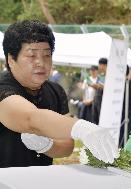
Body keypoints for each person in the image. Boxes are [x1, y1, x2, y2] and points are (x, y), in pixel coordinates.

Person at [0, 20, 118, 168]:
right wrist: (81, 127)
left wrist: (48, 146)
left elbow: (67, 146)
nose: (41, 63)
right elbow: (30, 118)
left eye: (47, 55)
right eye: (32, 56)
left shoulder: (55, 90)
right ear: (11, 59)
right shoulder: (3, 86)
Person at [90, 58, 107, 124]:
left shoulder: (109, 75)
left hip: (102, 101)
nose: (99, 67)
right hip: (96, 99)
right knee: (94, 119)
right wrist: (95, 86)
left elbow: (106, 88)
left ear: (104, 65)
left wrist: (98, 86)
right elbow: (99, 86)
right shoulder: (101, 75)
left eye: (100, 65)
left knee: (101, 120)